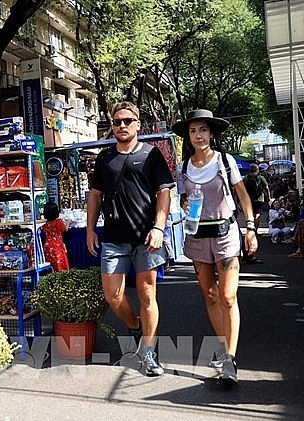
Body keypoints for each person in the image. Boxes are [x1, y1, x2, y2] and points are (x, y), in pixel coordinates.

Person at [86, 101, 173, 377]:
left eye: (127, 121)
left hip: (146, 237)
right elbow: (95, 195)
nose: (122, 125)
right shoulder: (104, 158)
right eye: (116, 122)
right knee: (112, 295)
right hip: (113, 237)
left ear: (137, 124)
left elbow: (164, 192)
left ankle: (148, 351)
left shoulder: (152, 155)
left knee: (148, 294)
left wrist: (159, 227)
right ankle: (136, 326)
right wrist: (90, 228)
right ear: (111, 126)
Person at [173, 109, 258, 384]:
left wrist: (251, 228)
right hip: (197, 236)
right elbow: (182, 199)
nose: (198, 135)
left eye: (203, 130)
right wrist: (185, 204)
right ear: (189, 136)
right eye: (193, 131)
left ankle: (230, 359)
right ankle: (223, 349)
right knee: (210, 295)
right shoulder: (182, 167)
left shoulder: (225, 161)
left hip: (226, 233)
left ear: (211, 133)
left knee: (228, 296)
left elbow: (243, 196)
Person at [42, 201, 71, 272]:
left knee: (50, 264)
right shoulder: (58, 222)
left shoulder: (45, 224)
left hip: (48, 245)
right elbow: (65, 229)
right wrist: (68, 222)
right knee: (60, 264)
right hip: (57, 246)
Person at [243, 163, 271, 230]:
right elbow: (266, 188)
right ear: (257, 170)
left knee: (250, 215)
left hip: (249, 199)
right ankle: (256, 229)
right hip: (259, 199)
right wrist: (269, 197)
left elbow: (242, 190)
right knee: (257, 215)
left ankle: (250, 228)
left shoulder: (246, 178)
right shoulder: (261, 177)